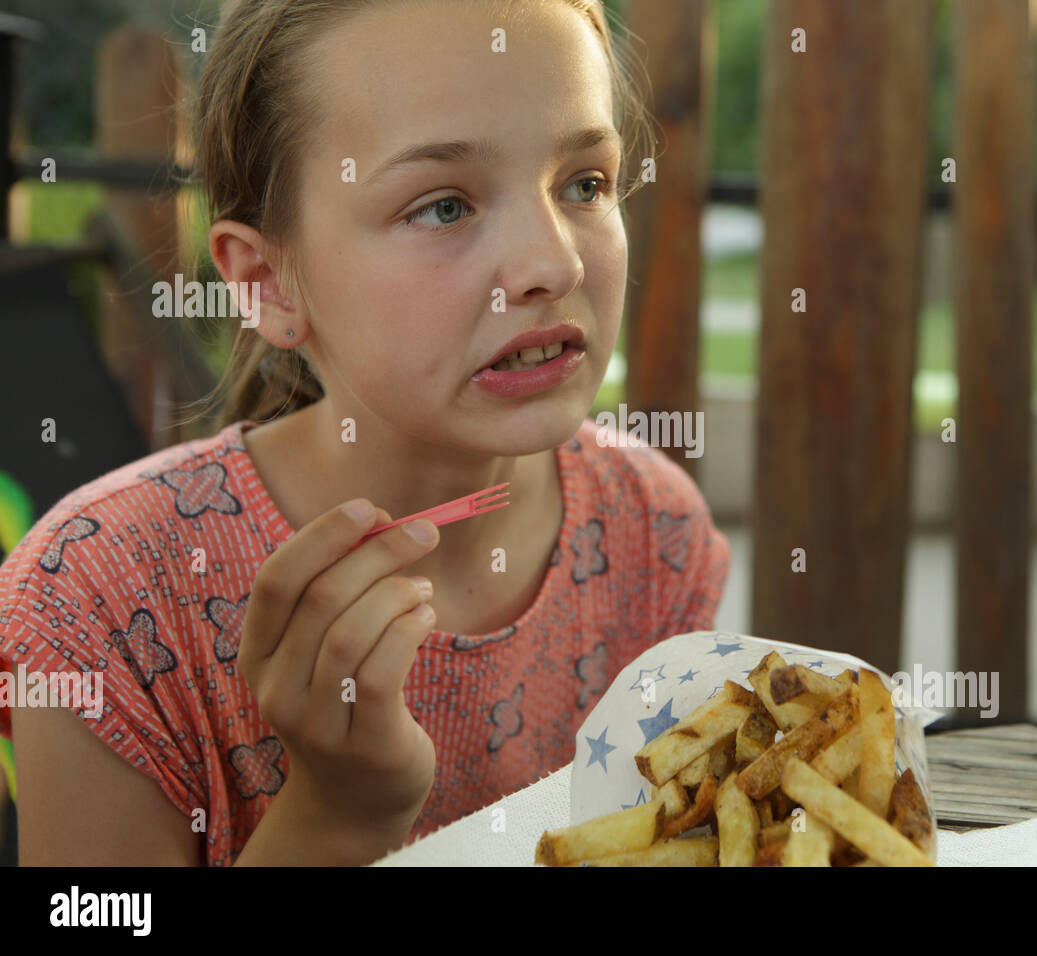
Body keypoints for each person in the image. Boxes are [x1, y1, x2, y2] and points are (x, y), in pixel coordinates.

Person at [0, 0, 729, 866]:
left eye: (585, 183)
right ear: (268, 282)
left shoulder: (655, 531)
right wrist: (337, 816)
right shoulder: (98, 598)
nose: (555, 264)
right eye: (444, 207)